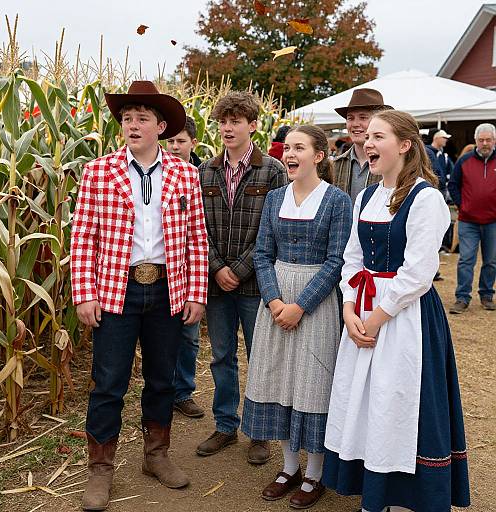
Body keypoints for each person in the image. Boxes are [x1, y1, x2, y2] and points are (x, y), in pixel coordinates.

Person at [70, 81, 209, 511]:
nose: (132, 124)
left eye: (142, 118)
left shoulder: (185, 173)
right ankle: (100, 470)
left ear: (161, 126)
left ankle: (156, 456)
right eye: (127, 118)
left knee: (162, 378)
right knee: (109, 382)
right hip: (116, 289)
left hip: (169, 286)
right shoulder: (99, 171)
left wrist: (197, 293)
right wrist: (84, 293)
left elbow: (196, 239)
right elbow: (82, 238)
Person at [323, 110, 470, 512]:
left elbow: (419, 272)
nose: (367, 143)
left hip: (407, 319)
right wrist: (350, 309)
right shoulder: (365, 196)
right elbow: (351, 257)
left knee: (400, 400)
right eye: (366, 136)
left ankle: (406, 500)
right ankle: (377, 495)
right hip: (364, 310)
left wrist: (374, 317)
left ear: (404, 145)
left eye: (378, 136)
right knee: (370, 401)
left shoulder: (426, 198)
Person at [241, 125, 352, 509]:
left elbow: (338, 261)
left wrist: (300, 305)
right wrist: (274, 302)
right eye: (287, 147)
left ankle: (316, 472)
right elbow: (261, 255)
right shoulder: (274, 198)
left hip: (316, 304)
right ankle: (289, 467)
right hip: (275, 299)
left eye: (299, 148)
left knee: (312, 383)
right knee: (280, 381)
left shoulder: (337, 201)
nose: (289, 153)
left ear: (318, 156)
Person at [197, 91, 288, 463]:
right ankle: (224, 425)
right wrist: (217, 266)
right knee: (221, 356)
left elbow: (276, 227)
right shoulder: (206, 170)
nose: (227, 128)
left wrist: (240, 268)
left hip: (255, 284)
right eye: (223, 121)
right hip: (216, 282)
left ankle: (259, 431)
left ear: (253, 126)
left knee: (259, 355)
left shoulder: (273, 171)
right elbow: (196, 227)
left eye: (235, 121)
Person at [166, 116, 205, 418]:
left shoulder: (201, 174)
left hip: (189, 271)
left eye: (181, 141)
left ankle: (183, 391)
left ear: (193, 142)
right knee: (161, 339)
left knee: (189, 338)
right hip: (160, 274)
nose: (175, 146)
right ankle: (162, 391)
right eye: (171, 141)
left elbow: (201, 233)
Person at [448, 123, 496, 313]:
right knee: (466, 260)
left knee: (491, 261)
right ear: (475, 141)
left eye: (489, 140)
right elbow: (453, 184)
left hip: (493, 221)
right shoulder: (464, 160)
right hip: (468, 220)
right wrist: (462, 205)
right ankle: (462, 297)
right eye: (481, 140)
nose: (485, 143)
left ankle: (486, 295)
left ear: (494, 140)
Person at [333, 88, 392, 201]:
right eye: (350, 118)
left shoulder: (394, 164)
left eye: (363, 117)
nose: (355, 124)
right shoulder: (335, 165)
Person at [426, 129, 454, 197]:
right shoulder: (425, 153)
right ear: (436, 138)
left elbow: (450, 171)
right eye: (444, 137)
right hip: (429, 188)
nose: (446, 140)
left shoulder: (444, 156)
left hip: (442, 190)